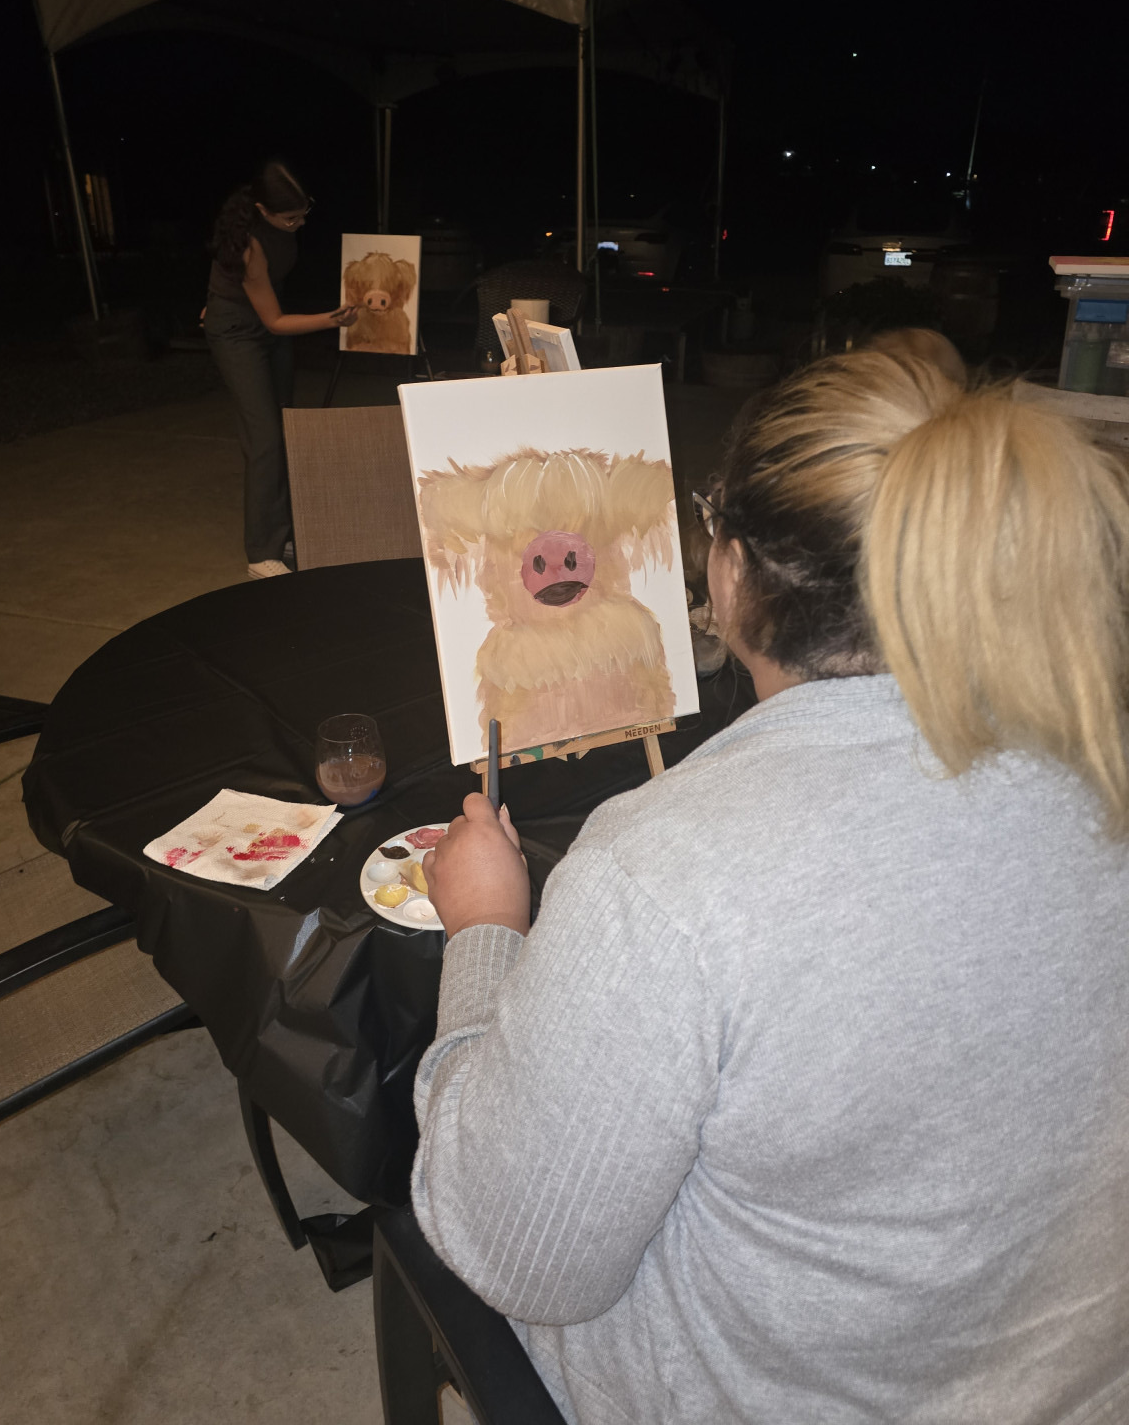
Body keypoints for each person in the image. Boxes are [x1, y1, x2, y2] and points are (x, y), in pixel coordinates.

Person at [413, 349, 1129, 1424]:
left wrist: (482, 933)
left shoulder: (664, 874)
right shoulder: (1100, 764)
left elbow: (519, 1254)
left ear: (734, 568)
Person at [204, 161, 357, 579]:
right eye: (290, 218)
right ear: (262, 210)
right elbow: (273, 320)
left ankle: (283, 531)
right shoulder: (248, 243)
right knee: (265, 439)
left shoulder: (277, 226)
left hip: (265, 325)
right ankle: (261, 554)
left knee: (284, 428)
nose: (299, 223)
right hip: (238, 333)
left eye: (303, 213)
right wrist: (333, 319)